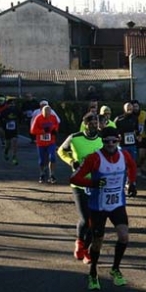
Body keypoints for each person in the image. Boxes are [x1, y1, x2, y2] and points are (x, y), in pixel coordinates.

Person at [69, 127, 138, 291]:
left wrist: (132, 183)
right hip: (98, 207)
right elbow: (74, 178)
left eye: (114, 141)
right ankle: (93, 273)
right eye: (107, 142)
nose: (111, 144)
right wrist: (92, 183)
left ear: (118, 141)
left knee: (124, 236)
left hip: (117, 205)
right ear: (102, 141)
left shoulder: (124, 155)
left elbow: (133, 167)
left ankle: (115, 269)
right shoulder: (94, 158)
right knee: (97, 242)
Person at [59, 113, 105, 264]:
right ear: (85, 124)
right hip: (79, 184)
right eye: (91, 123)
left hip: (96, 185)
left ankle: (86, 250)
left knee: (94, 221)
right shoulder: (75, 137)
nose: (94, 125)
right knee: (85, 219)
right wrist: (71, 161)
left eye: (96, 122)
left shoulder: (102, 140)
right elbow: (61, 151)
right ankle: (79, 242)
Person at [114, 102, 140, 196]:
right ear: (124, 109)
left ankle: (131, 183)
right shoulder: (119, 119)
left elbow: (136, 130)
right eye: (128, 108)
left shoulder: (134, 118)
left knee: (132, 165)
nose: (130, 109)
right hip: (122, 145)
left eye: (131, 108)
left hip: (132, 144)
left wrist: (137, 136)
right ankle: (122, 184)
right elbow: (114, 131)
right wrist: (118, 136)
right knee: (123, 166)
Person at [31, 104, 61, 184]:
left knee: (52, 157)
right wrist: (42, 131)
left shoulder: (53, 117)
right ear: (42, 112)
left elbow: (56, 125)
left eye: (48, 114)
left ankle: (52, 175)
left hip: (51, 142)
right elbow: (32, 130)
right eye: (45, 114)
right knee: (42, 160)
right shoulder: (38, 118)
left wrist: (55, 130)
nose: (47, 116)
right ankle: (42, 174)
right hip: (41, 143)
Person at [0, 99, 22, 165]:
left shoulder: (17, 110)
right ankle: (6, 152)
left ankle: (14, 157)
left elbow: (21, 117)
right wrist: (3, 126)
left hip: (15, 129)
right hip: (7, 130)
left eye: (13, 104)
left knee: (14, 142)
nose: (12, 105)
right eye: (10, 104)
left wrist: (18, 123)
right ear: (7, 105)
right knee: (8, 145)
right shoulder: (4, 111)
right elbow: (0, 120)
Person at [132, 100, 146, 170]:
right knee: (134, 155)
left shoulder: (143, 113)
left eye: (136, 106)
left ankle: (139, 166)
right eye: (134, 107)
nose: (135, 108)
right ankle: (135, 168)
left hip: (143, 136)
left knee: (142, 155)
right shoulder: (131, 115)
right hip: (133, 137)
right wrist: (137, 135)